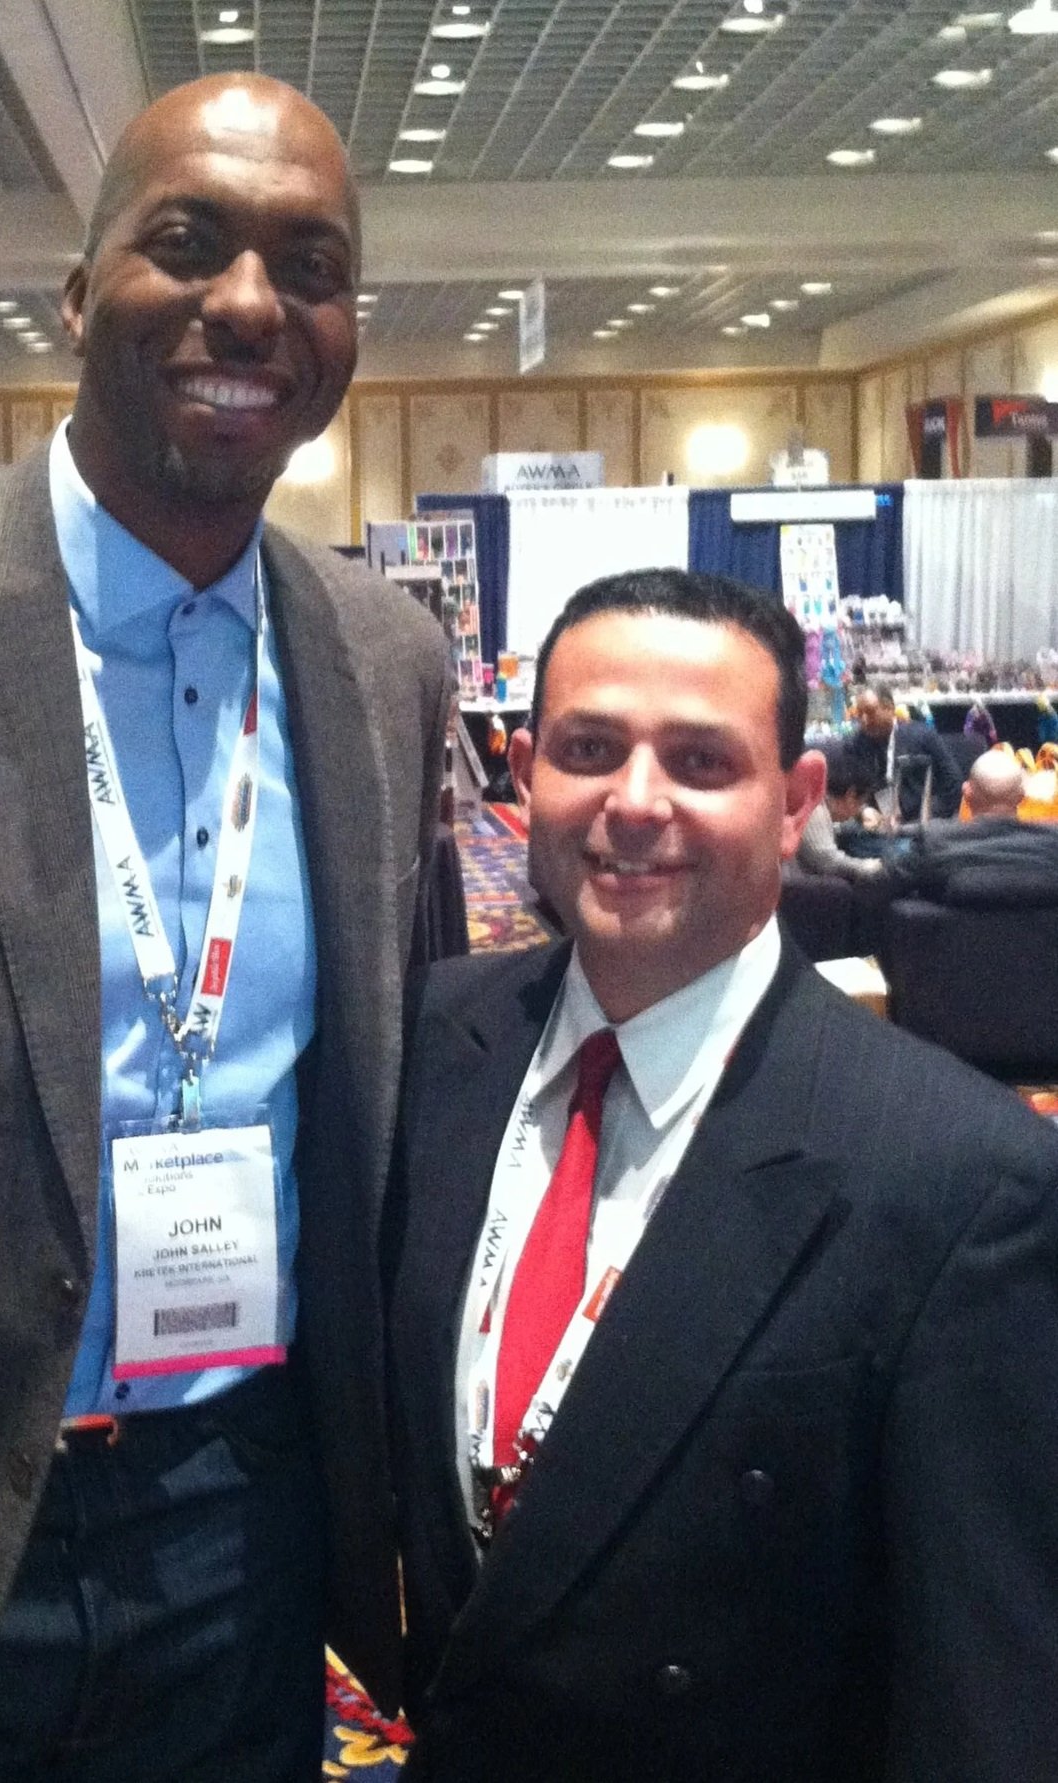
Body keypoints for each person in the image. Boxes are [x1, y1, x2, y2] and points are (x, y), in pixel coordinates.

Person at [0, 75, 450, 1783]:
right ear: (75, 293)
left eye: (311, 267)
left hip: (241, 1517)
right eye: (187, 243)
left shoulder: (385, 658)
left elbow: (387, 1092)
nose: (249, 305)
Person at [387, 568, 1058, 1782]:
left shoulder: (963, 1180)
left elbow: (983, 1702)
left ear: (795, 802)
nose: (635, 802)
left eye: (700, 761)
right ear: (525, 772)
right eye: (590, 749)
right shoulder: (430, 1046)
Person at [885, 749, 1058, 907]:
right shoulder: (1053, 843)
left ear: (966, 792)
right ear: (1022, 795)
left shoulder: (933, 842)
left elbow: (883, 886)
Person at [849, 682, 963, 822]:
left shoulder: (922, 736)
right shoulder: (858, 743)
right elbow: (849, 790)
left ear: (890, 708)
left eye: (870, 712)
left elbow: (954, 783)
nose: (864, 720)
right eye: (859, 714)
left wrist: (928, 813)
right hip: (879, 823)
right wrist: (863, 811)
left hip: (922, 821)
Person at [794, 746, 884, 881]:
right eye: (860, 803)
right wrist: (870, 866)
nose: (858, 809)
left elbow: (835, 828)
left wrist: (862, 812)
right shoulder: (815, 809)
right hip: (801, 883)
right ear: (850, 795)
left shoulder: (820, 800)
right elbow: (827, 860)